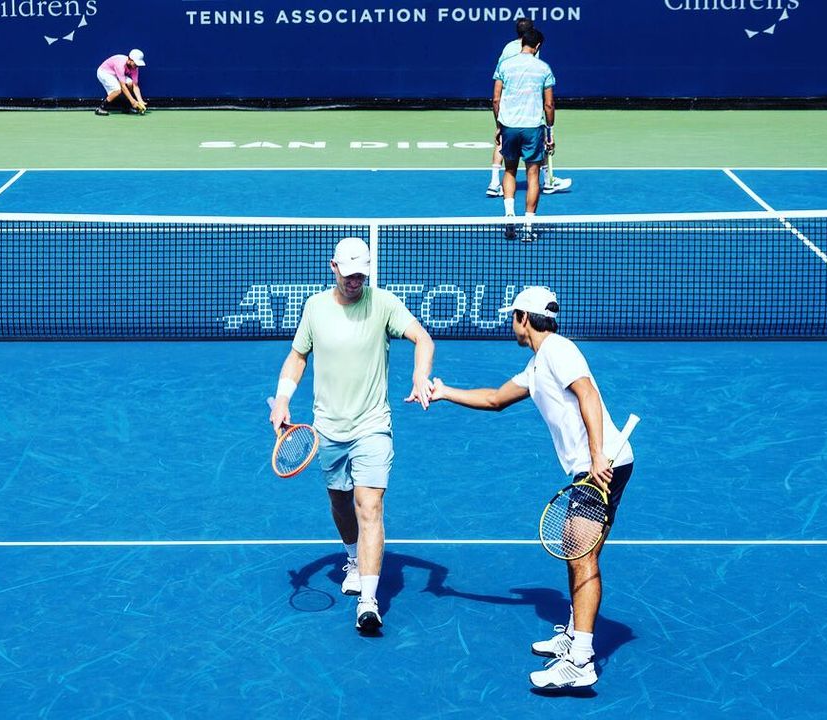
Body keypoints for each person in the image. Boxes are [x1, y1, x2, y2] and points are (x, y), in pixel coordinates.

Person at [427, 286, 635, 689]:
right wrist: (445, 392)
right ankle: (575, 635)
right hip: (598, 464)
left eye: (514, 316)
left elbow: (588, 395)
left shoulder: (558, 350)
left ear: (524, 318)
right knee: (578, 552)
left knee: (581, 556)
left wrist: (596, 456)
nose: (512, 323)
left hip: (600, 466)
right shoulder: (540, 363)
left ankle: (581, 660)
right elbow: (495, 399)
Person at [269, 237, 435, 634]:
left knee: (370, 506)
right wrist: (283, 398)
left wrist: (420, 375)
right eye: (348, 274)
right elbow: (298, 356)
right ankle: (354, 559)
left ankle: (368, 602)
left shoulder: (384, 304)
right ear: (334, 268)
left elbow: (423, 338)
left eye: (361, 274)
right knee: (341, 503)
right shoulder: (315, 308)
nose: (354, 281)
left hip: (372, 425)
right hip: (328, 428)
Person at [486, 20, 571, 198]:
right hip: (529, 110)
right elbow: (541, 90)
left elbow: (498, 92)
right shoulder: (537, 58)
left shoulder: (507, 49)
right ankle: (547, 181)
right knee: (538, 149)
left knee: (503, 147)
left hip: (509, 111)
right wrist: (550, 129)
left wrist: (499, 122)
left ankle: (494, 183)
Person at [492, 28, 559, 241]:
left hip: (509, 126)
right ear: (537, 46)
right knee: (533, 175)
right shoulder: (544, 68)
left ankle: (509, 215)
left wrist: (499, 126)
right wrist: (549, 131)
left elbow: (496, 99)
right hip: (533, 128)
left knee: (510, 170)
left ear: (522, 43)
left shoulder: (504, 65)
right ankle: (528, 227)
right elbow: (549, 104)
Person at [95, 49, 148, 116]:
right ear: (129, 59)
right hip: (104, 72)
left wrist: (140, 100)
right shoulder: (120, 64)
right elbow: (123, 86)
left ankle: (126, 108)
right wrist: (133, 101)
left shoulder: (135, 67)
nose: (136, 66)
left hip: (115, 74)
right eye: (135, 63)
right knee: (117, 90)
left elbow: (135, 85)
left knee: (130, 84)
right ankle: (100, 108)